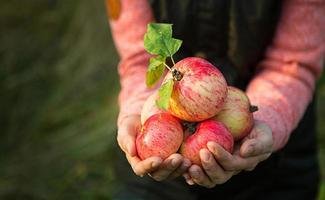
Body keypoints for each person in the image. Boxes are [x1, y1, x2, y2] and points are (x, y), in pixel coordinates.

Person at [107, 0, 325, 199]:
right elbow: (140, 59)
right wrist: (139, 110)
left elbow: (291, 65)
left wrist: (268, 117)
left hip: (274, 170)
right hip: (158, 177)